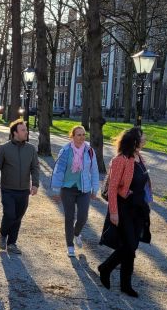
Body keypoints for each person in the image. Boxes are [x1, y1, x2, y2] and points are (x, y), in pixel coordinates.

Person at [97, 127, 152, 298]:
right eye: (142, 137)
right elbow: (113, 188)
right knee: (128, 245)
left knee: (132, 246)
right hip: (123, 208)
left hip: (138, 208)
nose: (144, 140)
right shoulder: (120, 160)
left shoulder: (140, 158)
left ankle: (125, 284)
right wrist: (113, 212)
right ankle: (105, 268)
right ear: (134, 140)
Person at [0, 119, 40, 255]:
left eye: (26, 129)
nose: (26, 132)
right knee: (9, 214)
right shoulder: (4, 148)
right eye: (23, 130)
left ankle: (12, 243)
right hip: (8, 189)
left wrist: (35, 184)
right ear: (15, 133)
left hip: (24, 190)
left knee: (18, 217)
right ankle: (3, 234)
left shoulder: (31, 149)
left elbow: (35, 168)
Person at [51, 125, 100, 257]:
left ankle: (76, 233)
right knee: (69, 217)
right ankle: (70, 245)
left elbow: (94, 171)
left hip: (84, 189)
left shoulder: (89, 151)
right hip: (67, 189)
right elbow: (59, 170)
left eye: (84, 135)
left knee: (83, 217)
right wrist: (56, 189)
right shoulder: (65, 150)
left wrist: (95, 189)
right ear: (72, 136)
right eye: (79, 135)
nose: (82, 137)